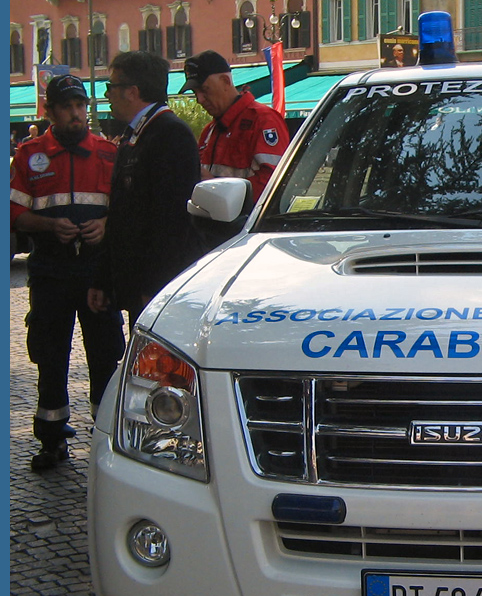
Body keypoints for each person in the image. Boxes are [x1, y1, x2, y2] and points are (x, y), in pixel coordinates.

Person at [10, 74, 126, 471]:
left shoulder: (109, 153)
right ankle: (52, 439)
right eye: (67, 107)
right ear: (50, 112)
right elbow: (15, 214)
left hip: (98, 271)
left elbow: (128, 209)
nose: (77, 114)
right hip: (50, 271)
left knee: (106, 355)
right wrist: (48, 226)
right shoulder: (29, 155)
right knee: (50, 353)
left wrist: (107, 224)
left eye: (81, 107)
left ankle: (107, 437)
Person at [88, 51, 202, 327]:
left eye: (110, 87)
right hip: (136, 286)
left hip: (157, 290)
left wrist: (154, 288)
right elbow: (120, 212)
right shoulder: (134, 134)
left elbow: (172, 221)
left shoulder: (170, 134)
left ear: (132, 91)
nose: (107, 95)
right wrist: (103, 279)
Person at [180, 50, 289, 203]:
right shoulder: (209, 131)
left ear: (226, 81)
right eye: (195, 92)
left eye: (205, 90)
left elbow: (276, 184)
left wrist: (216, 190)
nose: (200, 99)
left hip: (247, 223)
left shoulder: (264, 120)